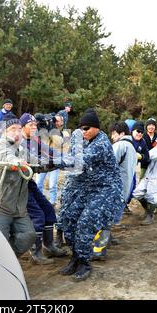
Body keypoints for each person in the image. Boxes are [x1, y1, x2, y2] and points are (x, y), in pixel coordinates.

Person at [58, 108, 125, 281]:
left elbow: (80, 160)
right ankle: (76, 257)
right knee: (69, 220)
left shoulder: (101, 143)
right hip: (86, 187)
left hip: (105, 189)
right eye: (80, 128)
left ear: (96, 127)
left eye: (87, 128)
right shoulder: (80, 137)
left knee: (85, 223)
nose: (83, 131)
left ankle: (85, 263)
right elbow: (72, 157)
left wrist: (53, 162)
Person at [0, 113, 36, 257]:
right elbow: (7, 157)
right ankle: (1, 261)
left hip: (18, 207)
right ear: (4, 131)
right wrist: (18, 163)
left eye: (19, 129)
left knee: (29, 235)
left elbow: (35, 161)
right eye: (12, 129)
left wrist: (51, 162)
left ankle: (7, 258)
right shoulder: (0, 145)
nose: (17, 132)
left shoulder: (22, 149)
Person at [19, 113, 67, 264]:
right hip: (17, 186)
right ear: (22, 127)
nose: (34, 128)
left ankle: (49, 245)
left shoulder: (33, 140)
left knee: (48, 209)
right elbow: (36, 162)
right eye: (30, 125)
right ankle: (36, 252)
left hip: (28, 182)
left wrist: (64, 157)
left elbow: (47, 150)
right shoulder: (19, 142)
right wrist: (54, 162)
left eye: (35, 125)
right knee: (38, 215)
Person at [109, 121, 137, 224]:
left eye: (114, 133)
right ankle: (107, 236)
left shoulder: (119, 145)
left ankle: (105, 238)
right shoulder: (132, 147)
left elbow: (109, 164)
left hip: (115, 187)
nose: (112, 137)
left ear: (122, 134)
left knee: (107, 216)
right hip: (126, 187)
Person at [36, 114, 65, 206]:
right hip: (44, 159)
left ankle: (52, 202)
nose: (56, 122)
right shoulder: (43, 129)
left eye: (58, 121)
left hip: (54, 161)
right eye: (54, 120)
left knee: (52, 185)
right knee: (38, 183)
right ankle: (39, 201)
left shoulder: (60, 132)